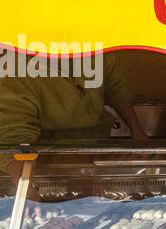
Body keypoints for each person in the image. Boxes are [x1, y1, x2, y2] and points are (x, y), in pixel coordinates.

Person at [0, 51, 147, 179]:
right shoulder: (15, 66)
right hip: (46, 168)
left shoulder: (95, 45)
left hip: (95, 156)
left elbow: (115, 89)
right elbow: (13, 141)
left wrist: (137, 132)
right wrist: (28, 190)